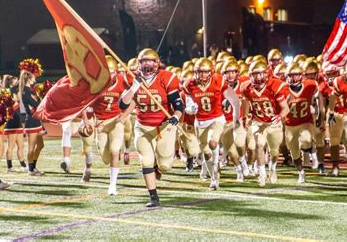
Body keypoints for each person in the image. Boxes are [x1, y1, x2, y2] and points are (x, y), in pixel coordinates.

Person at [120, 48, 183, 207]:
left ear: (157, 63)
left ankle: (158, 166)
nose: (147, 64)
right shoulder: (132, 78)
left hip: (164, 126)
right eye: (144, 61)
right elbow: (123, 104)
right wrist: (134, 87)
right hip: (142, 127)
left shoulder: (167, 78)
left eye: (151, 61)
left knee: (165, 166)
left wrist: (176, 116)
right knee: (145, 161)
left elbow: (178, 105)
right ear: (138, 63)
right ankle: (153, 197)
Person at [182, 57, 241, 190]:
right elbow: (188, 100)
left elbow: (234, 99)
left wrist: (236, 117)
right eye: (199, 72)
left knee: (213, 142)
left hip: (216, 118)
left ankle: (216, 165)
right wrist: (190, 108)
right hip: (200, 122)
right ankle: (214, 176)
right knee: (206, 153)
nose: (202, 75)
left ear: (211, 72)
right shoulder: (189, 84)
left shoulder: (218, 80)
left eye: (205, 72)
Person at [80, 55, 125, 195]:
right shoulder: (95, 83)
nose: (110, 74)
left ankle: (113, 185)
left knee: (115, 151)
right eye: (107, 71)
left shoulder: (122, 81)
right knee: (105, 158)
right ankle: (91, 167)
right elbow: (83, 103)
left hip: (116, 120)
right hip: (100, 122)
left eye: (112, 71)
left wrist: (124, 115)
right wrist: (86, 121)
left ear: (116, 72)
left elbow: (134, 98)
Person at [240, 60, 289, 187]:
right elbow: (245, 102)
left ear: (266, 74)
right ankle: (262, 174)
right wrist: (245, 117)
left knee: (274, 151)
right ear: (250, 75)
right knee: (259, 145)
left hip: (273, 122)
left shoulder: (274, 86)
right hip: (258, 121)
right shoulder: (246, 88)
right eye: (255, 74)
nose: (258, 77)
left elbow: (285, 108)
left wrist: (280, 116)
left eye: (260, 74)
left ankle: (272, 167)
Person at [17, 58, 45, 176]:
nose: (35, 77)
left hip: (36, 121)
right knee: (31, 146)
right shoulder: (25, 92)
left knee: (41, 145)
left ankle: (33, 166)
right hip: (31, 122)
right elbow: (37, 105)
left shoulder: (31, 90)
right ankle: (30, 169)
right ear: (29, 77)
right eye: (33, 76)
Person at [3, 74, 27, 172]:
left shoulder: (16, 91)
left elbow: (21, 106)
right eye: (15, 80)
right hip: (12, 122)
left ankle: (23, 165)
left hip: (18, 121)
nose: (17, 81)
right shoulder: (8, 92)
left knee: (21, 145)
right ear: (11, 82)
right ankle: (9, 167)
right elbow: (10, 107)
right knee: (11, 146)